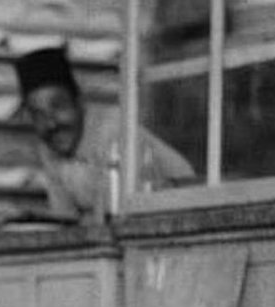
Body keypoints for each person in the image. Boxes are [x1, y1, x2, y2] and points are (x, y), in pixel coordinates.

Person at [13, 46, 196, 224]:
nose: (51, 123)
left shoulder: (112, 131)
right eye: (38, 114)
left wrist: (82, 221)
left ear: (79, 102)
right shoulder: (49, 147)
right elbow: (65, 221)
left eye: (59, 106)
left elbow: (122, 214)